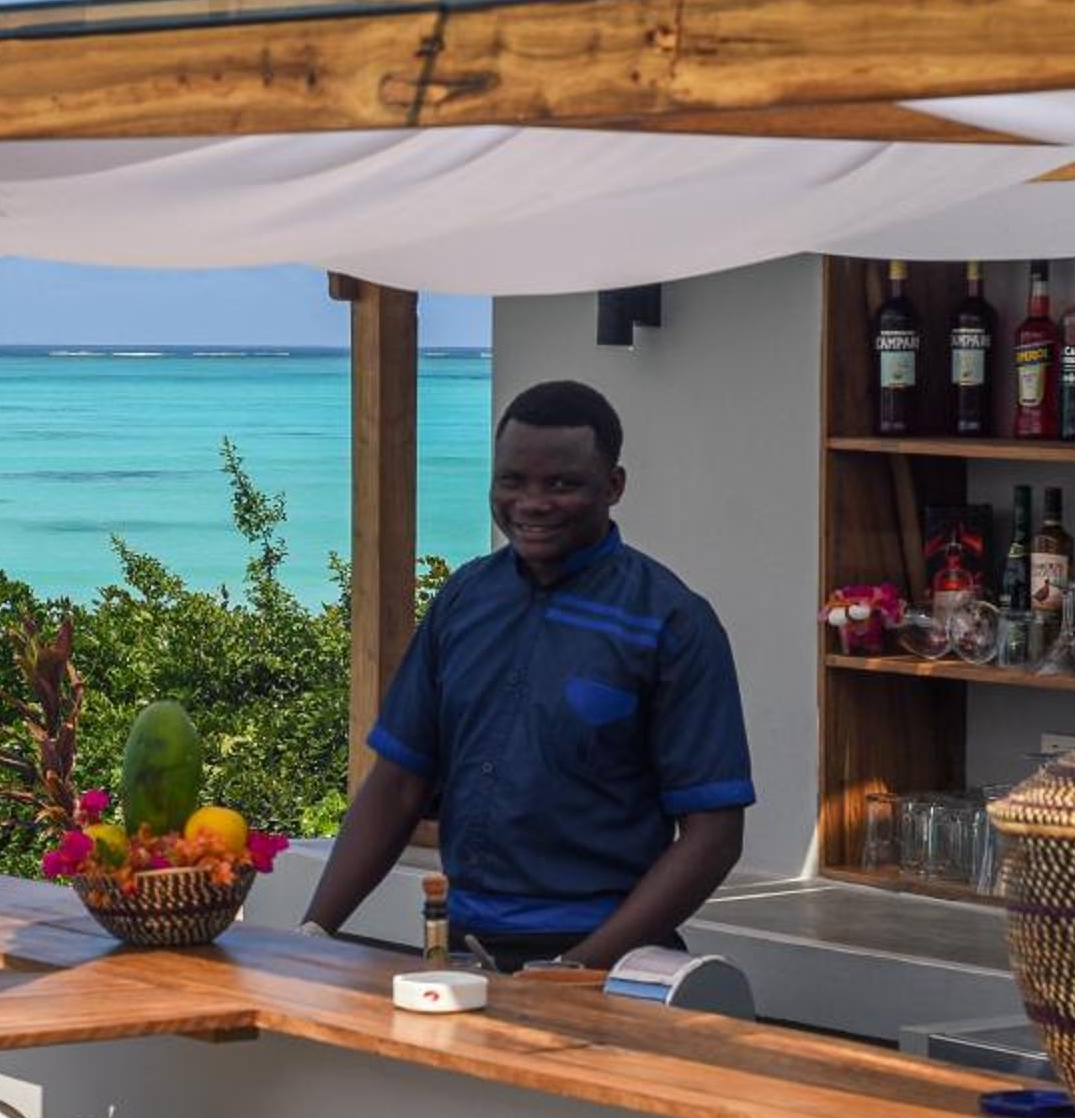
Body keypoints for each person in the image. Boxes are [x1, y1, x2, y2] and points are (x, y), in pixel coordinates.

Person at [300, 379, 752, 971]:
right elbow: (399, 783)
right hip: (461, 950)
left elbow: (714, 835)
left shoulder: (671, 622)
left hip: (607, 959)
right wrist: (313, 932)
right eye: (512, 480)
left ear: (614, 486)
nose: (532, 503)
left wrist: (574, 970)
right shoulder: (464, 600)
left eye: (562, 484)